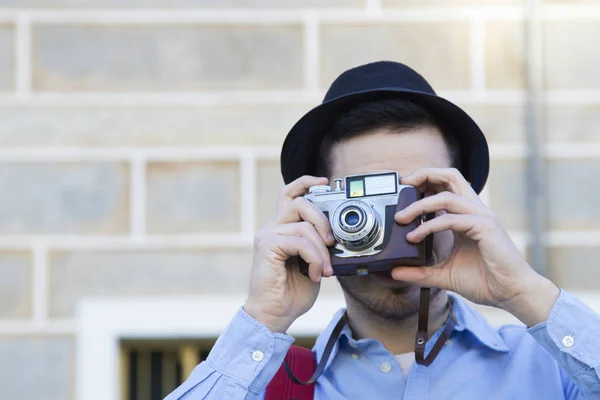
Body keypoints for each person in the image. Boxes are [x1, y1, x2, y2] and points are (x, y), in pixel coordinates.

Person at [166, 61, 600, 399]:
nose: (397, 225)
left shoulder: (553, 368)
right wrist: (264, 317)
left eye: (418, 195)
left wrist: (525, 293)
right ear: (314, 213)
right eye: (362, 206)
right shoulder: (264, 383)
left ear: (465, 207)